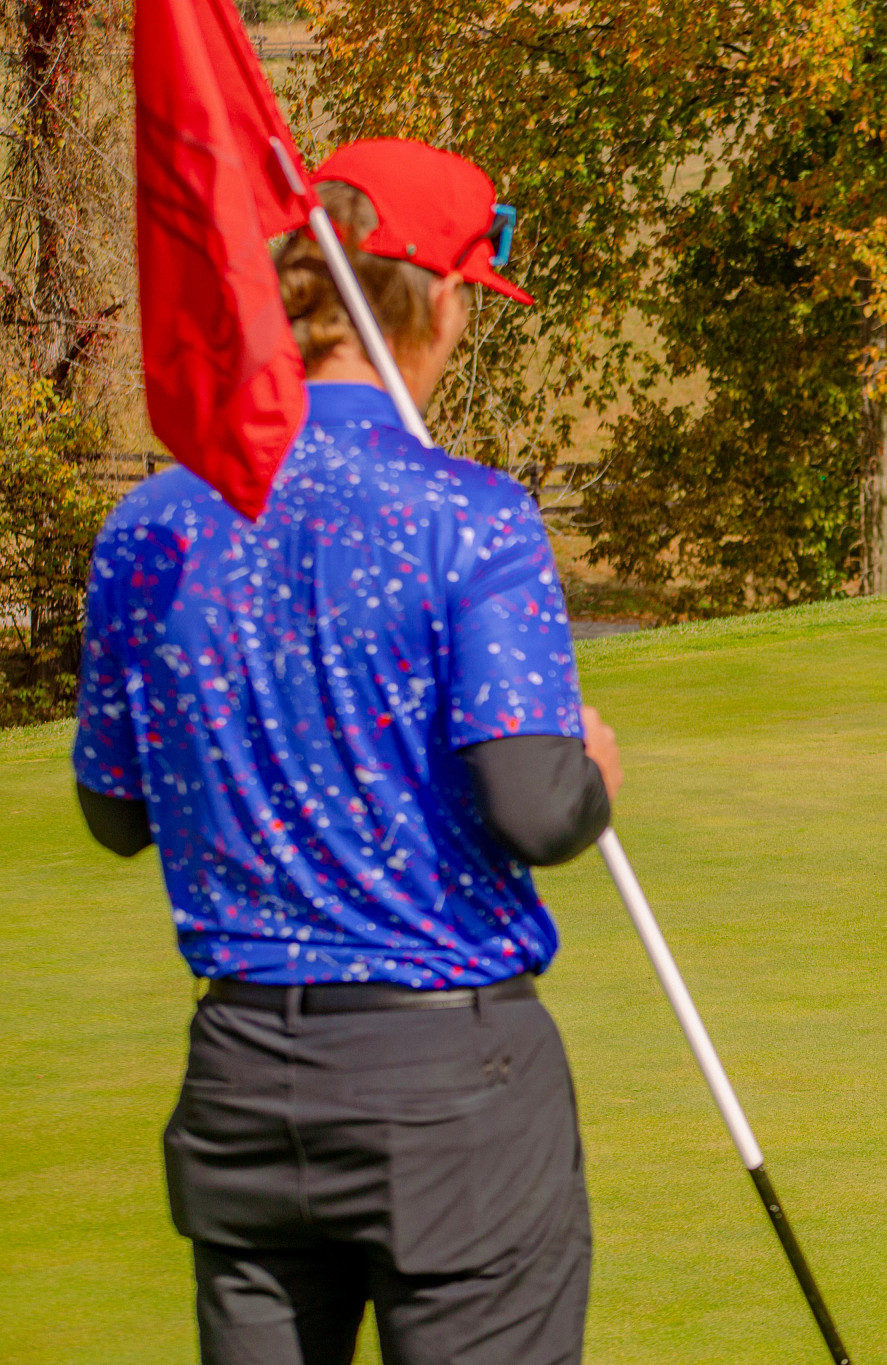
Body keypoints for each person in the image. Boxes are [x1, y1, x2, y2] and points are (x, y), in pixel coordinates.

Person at [73, 138, 615, 1362]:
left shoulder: (153, 522)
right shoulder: (472, 515)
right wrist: (594, 777)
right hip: (451, 1087)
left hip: (243, 1087)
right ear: (437, 298)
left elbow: (115, 813)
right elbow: (536, 808)